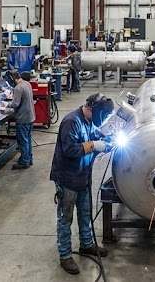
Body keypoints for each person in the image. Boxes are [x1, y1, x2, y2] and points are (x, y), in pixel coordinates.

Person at [49, 94, 113, 275]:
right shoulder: (71, 121)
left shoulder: (88, 120)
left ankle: (86, 244)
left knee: (85, 212)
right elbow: (70, 150)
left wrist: (107, 139)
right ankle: (65, 255)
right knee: (65, 218)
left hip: (82, 176)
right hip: (67, 178)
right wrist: (93, 145)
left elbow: (94, 134)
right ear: (93, 110)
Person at [1, 70, 35, 169]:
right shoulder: (27, 84)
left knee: (22, 141)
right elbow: (22, 102)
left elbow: (15, 104)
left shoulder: (18, 88)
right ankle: (28, 158)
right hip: (30, 116)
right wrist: (8, 110)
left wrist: (5, 104)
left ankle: (24, 161)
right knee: (27, 139)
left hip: (23, 119)